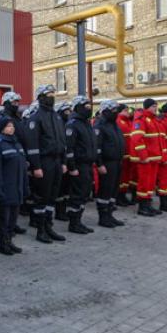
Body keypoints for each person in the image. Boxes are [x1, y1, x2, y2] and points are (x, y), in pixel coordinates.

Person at [23, 85, 67, 244]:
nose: (52, 97)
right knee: (42, 197)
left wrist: (63, 161)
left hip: (56, 161)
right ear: (41, 97)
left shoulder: (56, 117)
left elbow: (62, 141)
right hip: (44, 162)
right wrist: (36, 167)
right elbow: (32, 145)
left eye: (53, 94)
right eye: (48, 94)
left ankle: (49, 227)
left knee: (52, 196)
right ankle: (40, 230)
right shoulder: (35, 118)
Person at [0, 117, 28, 255]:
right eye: (8, 126)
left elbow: (23, 168)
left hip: (16, 188)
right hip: (5, 189)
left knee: (13, 219)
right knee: (3, 220)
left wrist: (25, 186)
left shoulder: (17, 144)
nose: (11, 128)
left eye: (12, 125)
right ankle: (3, 244)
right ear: (1, 129)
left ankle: (10, 241)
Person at [64, 96, 99, 233]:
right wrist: (72, 167)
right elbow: (69, 148)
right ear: (78, 107)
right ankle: (73, 223)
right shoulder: (73, 124)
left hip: (88, 164)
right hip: (79, 166)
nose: (89, 109)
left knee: (84, 194)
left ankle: (78, 221)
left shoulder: (86, 123)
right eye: (86, 106)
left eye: (90, 107)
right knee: (77, 195)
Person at [94, 100, 126, 227]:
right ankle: (103, 217)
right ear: (105, 110)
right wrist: (99, 164)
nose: (115, 113)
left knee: (113, 190)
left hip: (117, 161)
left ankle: (110, 214)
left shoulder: (114, 124)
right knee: (105, 191)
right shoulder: (100, 125)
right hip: (107, 163)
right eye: (113, 110)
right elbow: (97, 147)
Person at [130, 98, 164, 216]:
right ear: (147, 107)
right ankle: (142, 207)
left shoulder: (153, 120)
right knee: (144, 182)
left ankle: (148, 205)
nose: (156, 108)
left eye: (156, 106)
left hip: (154, 158)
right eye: (153, 106)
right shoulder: (141, 120)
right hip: (146, 159)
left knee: (151, 183)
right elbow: (137, 139)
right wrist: (143, 156)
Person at [54, 101, 73, 222]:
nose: (69, 113)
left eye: (69, 110)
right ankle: (59, 212)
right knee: (60, 189)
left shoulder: (68, 124)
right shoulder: (58, 124)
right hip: (60, 160)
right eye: (66, 111)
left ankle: (64, 210)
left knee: (67, 188)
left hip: (68, 159)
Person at [116, 105, 135, 206]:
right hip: (122, 154)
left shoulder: (128, 121)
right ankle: (118, 197)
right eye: (125, 110)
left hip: (129, 154)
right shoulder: (118, 121)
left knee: (126, 177)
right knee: (121, 177)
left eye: (128, 110)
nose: (128, 112)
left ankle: (123, 195)